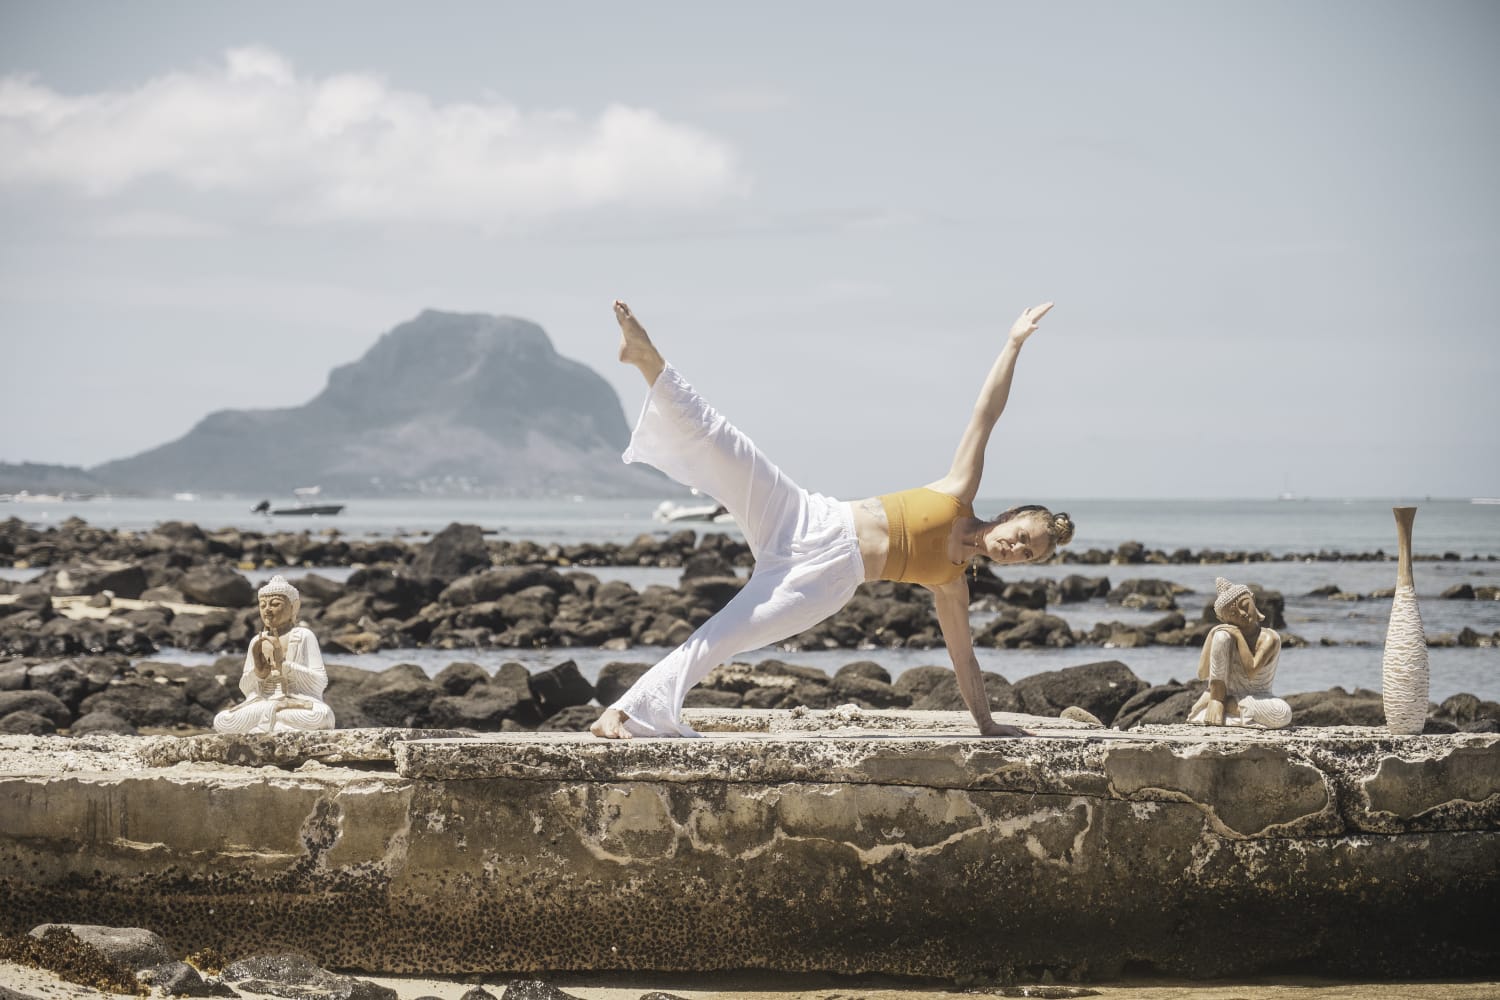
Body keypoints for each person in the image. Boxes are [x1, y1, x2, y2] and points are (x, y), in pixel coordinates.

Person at [591, 300, 1074, 740]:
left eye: (1026, 554)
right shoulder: (958, 491)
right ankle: (646, 359)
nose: (1016, 549)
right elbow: (985, 414)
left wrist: (987, 725)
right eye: (1021, 536)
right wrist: (1013, 344)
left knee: (726, 633)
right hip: (811, 515)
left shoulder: (952, 584)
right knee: (729, 447)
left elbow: (963, 658)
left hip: (825, 581)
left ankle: (625, 710)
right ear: (1009, 517)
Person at [213, 575, 336, 733]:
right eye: (263, 605)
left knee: (323, 715)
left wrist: (284, 665)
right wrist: (258, 672)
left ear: (294, 607)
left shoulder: (303, 636)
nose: (267, 610)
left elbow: (320, 681)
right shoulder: (257, 641)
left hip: (296, 703)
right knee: (222, 720)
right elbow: (246, 689)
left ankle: (270, 723)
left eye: (275, 604)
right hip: (265, 704)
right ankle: (277, 722)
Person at [1187, 577, 1292, 728]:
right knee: (1221, 636)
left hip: (1257, 697)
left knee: (1282, 713)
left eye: (1245, 605)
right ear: (1223, 619)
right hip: (1221, 694)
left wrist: (1238, 636)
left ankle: (1224, 707)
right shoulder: (1225, 636)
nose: (1242, 613)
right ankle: (1216, 701)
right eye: (1233, 614)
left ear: (1253, 599)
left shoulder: (1269, 637)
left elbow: (1252, 670)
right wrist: (1212, 635)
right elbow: (1202, 674)